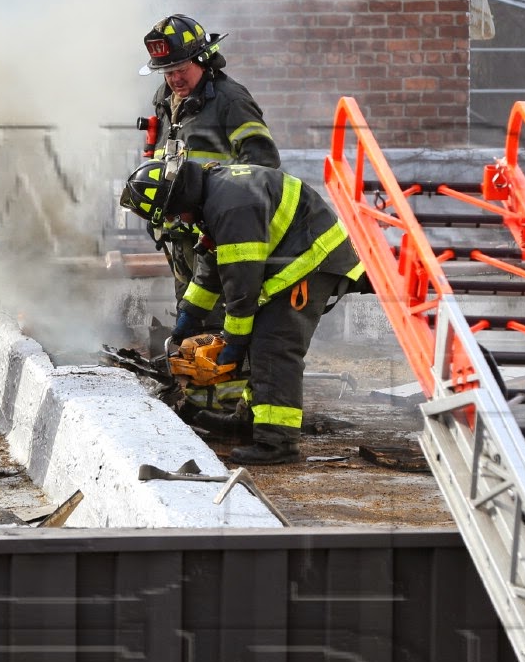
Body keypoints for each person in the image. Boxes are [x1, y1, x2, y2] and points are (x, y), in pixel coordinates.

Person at [119, 157, 363, 464]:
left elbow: (242, 288)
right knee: (261, 343)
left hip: (310, 261)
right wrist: (189, 315)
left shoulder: (230, 208)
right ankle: (249, 420)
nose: (175, 219)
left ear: (177, 198)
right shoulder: (212, 194)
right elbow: (211, 264)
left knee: (274, 346)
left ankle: (278, 442)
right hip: (292, 256)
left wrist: (233, 343)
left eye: (171, 213)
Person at [138, 14, 279, 297]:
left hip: (217, 240)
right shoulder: (164, 100)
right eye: (167, 71)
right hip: (179, 237)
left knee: (217, 316)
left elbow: (263, 166)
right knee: (188, 312)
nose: (175, 79)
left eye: (181, 69)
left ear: (202, 59)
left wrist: (225, 219)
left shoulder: (230, 100)